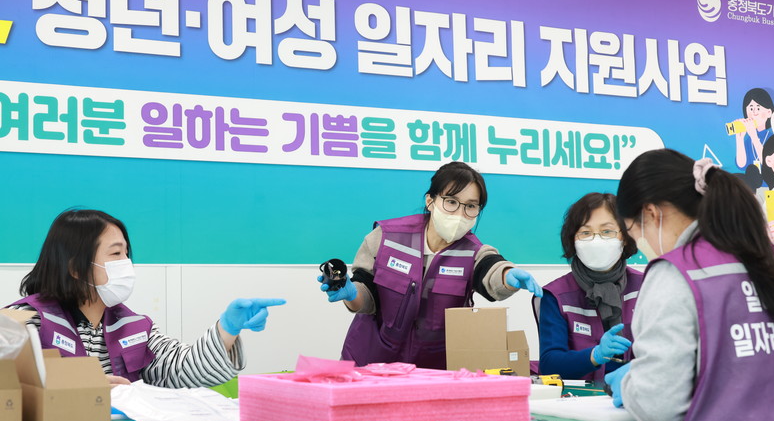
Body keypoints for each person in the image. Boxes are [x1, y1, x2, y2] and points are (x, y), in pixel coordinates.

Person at [606, 149, 774, 421]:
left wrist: (630, 385)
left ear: (651, 213)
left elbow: (658, 406)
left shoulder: (677, 272)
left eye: (633, 232)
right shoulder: (771, 260)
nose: (642, 247)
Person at [5, 209, 285, 388]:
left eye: (126, 254)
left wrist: (228, 329)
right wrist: (82, 385)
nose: (126, 263)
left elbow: (184, 371)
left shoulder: (135, 327)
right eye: (115, 254)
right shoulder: (24, 322)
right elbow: (9, 389)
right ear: (75, 267)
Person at [317, 161, 542, 369]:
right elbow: (365, 297)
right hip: (370, 363)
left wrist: (507, 275)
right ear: (430, 201)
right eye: (451, 202)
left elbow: (491, 268)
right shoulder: (386, 237)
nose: (460, 213)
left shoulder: (473, 252)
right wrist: (351, 293)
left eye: (471, 206)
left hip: (431, 371)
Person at [536, 193, 640, 382]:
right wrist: (594, 355)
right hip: (581, 397)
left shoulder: (645, 286)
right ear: (573, 240)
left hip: (639, 392)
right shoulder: (556, 295)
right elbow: (549, 365)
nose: (596, 240)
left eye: (607, 231)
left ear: (625, 237)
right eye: (585, 233)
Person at [733, 87, 774, 172]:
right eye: (751, 109)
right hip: (752, 179)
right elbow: (741, 165)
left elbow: (768, 164)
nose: (754, 113)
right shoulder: (748, 140)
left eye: (758, 108)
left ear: (769, 112)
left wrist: (754, 137)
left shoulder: (773, 138)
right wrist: (739, 138)